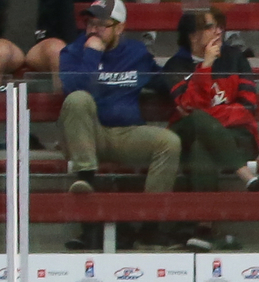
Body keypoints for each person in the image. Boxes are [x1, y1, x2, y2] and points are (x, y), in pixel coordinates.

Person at [59, 0, 178, 251]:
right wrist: (92, 53)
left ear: (120, 27)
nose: (93, 29)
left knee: (169, 143)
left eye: (102, 24)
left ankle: (150, 226)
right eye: (90, 23)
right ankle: (86, 178)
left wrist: (182, 91)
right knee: (78, 99)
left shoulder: (135, 53)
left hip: (127, 133)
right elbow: (75, 90)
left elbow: (162, 81)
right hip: (89, 135)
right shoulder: (72, 52)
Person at [160, 6, 259, 252]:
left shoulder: (236, 58)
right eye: (209, 26)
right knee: (197, 121)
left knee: (202, 143)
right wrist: (205, 66)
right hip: (186, 133)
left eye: (219, 25)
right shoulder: (175, 67)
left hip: (237, 135)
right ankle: (245, 175)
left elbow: (247, 106)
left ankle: (204, 227)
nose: (219, 31)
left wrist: (210, 121)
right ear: (192, 36)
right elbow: (189, 109)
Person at [0, 0, 79, 150]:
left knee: (59, 52)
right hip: (6, 44)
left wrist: (75, 54)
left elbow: (68, 28)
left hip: (42, 45)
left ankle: (67, 131)